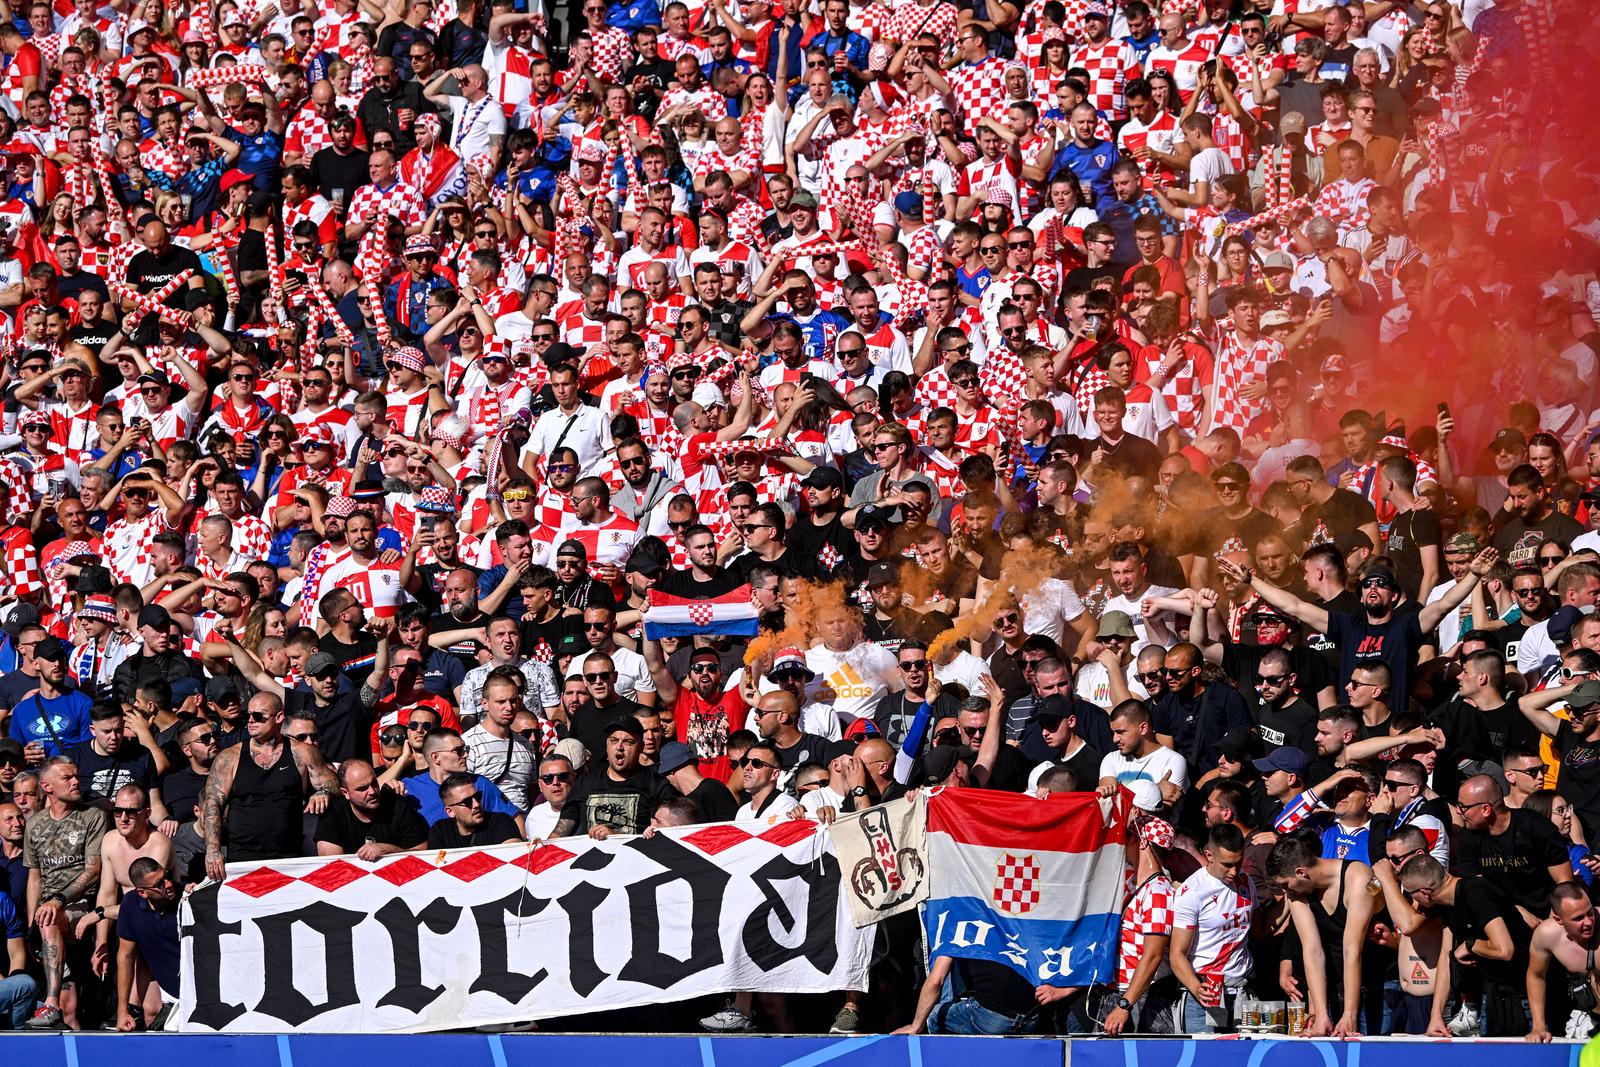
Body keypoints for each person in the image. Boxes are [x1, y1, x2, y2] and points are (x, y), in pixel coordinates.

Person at [1169, 823, 1254, 1035]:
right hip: (1204, 995)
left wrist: (1291, 901)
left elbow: (1261, 931)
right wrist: (1196, 988)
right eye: (1227, 864)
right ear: (1209, 855)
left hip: (1242, 993)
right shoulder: (1192, 892)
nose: (1234, 871)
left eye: (1238, 862)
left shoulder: (1246, 882)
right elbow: (1177, 954)